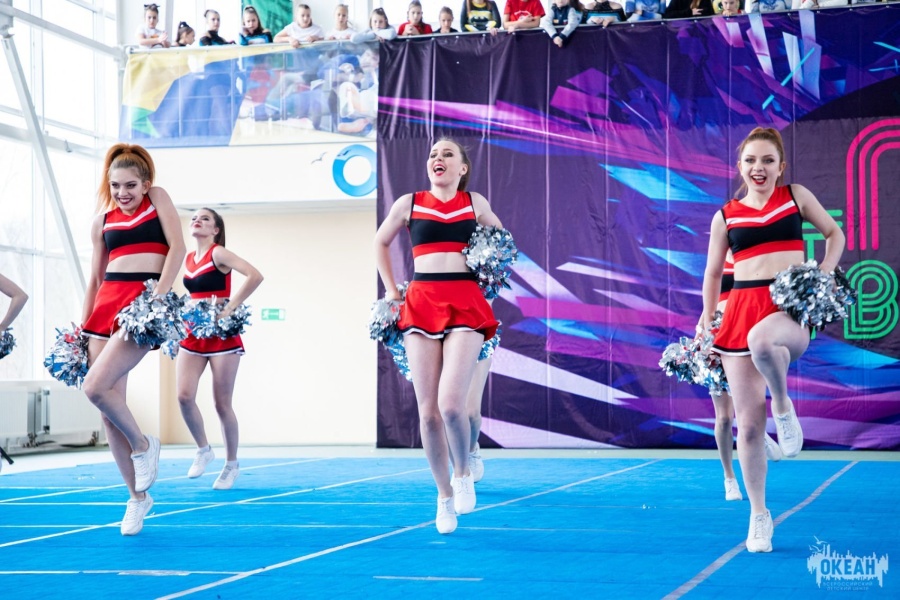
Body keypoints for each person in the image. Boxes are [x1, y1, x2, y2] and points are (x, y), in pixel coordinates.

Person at [700, 127, 844, 552]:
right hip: (738, 312)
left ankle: (782, 404)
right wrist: (708, 318)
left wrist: (822, 275)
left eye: (767, 160)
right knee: (747, 427)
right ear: (739, 166)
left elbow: (835, 234)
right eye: (750, 161)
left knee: (763, 341)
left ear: (781, 167)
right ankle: (759, 515)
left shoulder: (796, 197)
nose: (758, 168)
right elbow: (713, 273)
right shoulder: (725, 216)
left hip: (788, 309)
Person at [374, 138, 502, 534]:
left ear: (462, 168)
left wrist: (489, 276)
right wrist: (392, 292)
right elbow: (380, 241)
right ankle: (443, 496)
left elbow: (503, 244)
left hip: (465, 302)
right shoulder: (409, 203)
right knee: (427, 412)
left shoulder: (474, 203)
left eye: (447, 154)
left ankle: (462, 472)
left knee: (451, 405)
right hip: (421, 302)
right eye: (433, 154)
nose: (437, 158)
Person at [81, 144, 186, 536]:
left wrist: (159, 296)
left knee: (94, 387)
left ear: (144, 184)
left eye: (130, 185)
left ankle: (143, 445)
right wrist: (83, 327)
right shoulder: (101, 222)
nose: (122, 192)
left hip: (141, 306)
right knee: (107, 412)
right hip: (103, 311)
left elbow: (177, 247)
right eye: (116, 186)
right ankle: (137, 498)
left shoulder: (157, 199)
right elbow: (96, 278)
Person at [177, 209, 263, 490]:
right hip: (193, 331)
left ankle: (231, 464)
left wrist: (230, 307)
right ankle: (203, 449)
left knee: (221, 403)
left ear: (215, 230)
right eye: (194, 217)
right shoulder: (189, 258)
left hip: (221, 335)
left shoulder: (219, 253)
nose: (197, 220)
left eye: (205, 219)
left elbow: (254, 275)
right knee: (184, 396)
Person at [711, 254, 782, 503]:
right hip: (719, 339)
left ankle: (756, 434)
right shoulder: (717, 265)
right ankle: (729, 477)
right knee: (723, 418)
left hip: (746, 339)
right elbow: (708, 306)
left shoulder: (754, 258)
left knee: (748, 409)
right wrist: (703, 335)